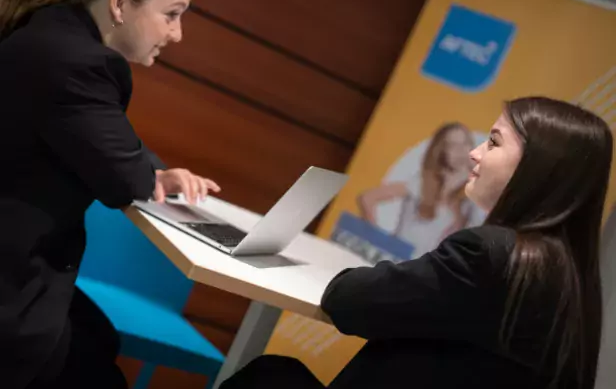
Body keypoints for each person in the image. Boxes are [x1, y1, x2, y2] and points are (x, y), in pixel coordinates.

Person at [220, 96, 611, 389]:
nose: (474, 154)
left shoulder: (487, 254)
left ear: (536, 168)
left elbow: (348, 302)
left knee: (269, 377)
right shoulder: (575, 282)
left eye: (492, 143)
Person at [0, 0, 220, 389]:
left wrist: (159, 171)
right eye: (172, 14)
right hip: (11, 286)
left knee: (100, 339)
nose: (177, 34)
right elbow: (125, 182)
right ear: (120, 3)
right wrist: (150, 174)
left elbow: (106, 145)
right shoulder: (80, 64)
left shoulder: (49, 32)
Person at [357, 122, 482, 258]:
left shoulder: (468, 200)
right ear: (441, 151)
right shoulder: (422, 183)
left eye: (465, 144)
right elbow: (367, 198)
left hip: (422, 269)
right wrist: (378, 241)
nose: (460, 150)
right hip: (395, 260)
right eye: (452, 145)